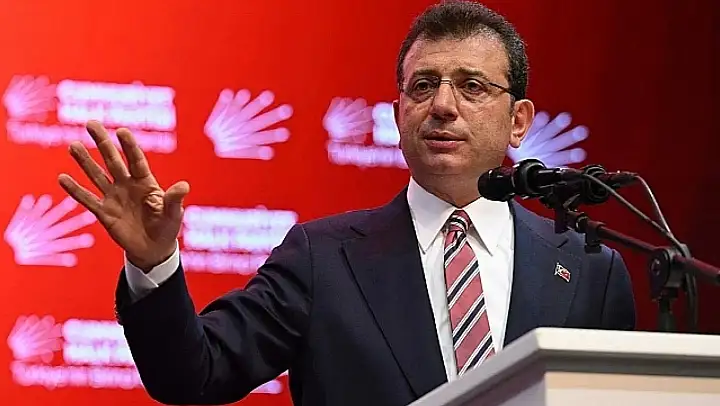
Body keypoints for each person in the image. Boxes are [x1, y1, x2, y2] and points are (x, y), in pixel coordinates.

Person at [58, 1, 635, 405]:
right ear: (399, 114)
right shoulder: (322, 258)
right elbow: (194, 374)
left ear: (519, 122)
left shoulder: (588, 269)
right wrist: (154, 265)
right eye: (423, 86)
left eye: (472, 86)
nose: (442, 105)